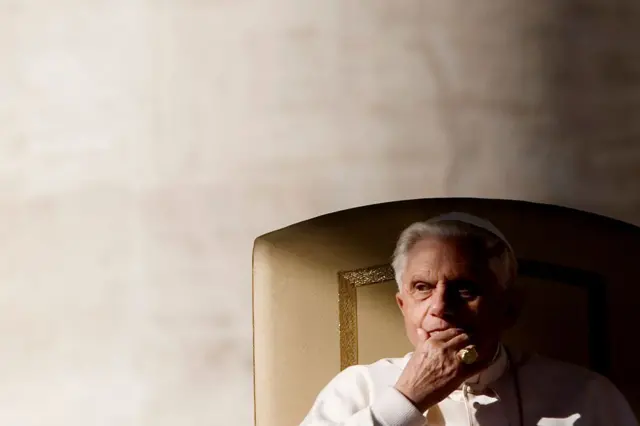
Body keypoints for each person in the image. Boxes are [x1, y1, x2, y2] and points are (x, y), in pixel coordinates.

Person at [300, 212, 638, 425]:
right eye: (422, 287)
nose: (440, 307)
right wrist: (407, 399)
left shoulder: (585, 394)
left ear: (509, 308)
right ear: (403, 305)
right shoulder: (359, 387)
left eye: (464, 289)